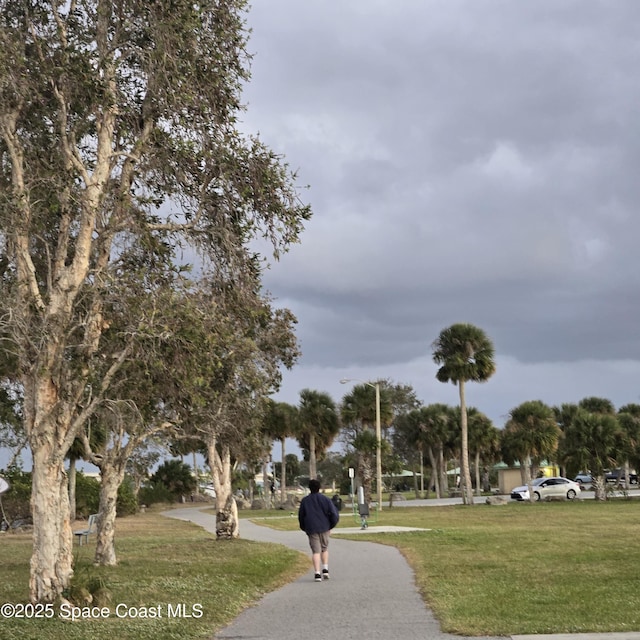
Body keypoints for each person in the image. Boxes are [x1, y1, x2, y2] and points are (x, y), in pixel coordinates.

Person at [298, 479, 339, 582]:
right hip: (324, 527)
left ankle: (317, 573)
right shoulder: (325, 499)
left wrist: (304, 527)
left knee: (316, 551)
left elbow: (301, 516)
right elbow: (334, 514)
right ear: (319, 487)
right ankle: (325, 569)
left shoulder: (305, 501)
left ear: (309, 488)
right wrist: (331, 525)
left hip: (311, 528)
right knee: (324, 549)